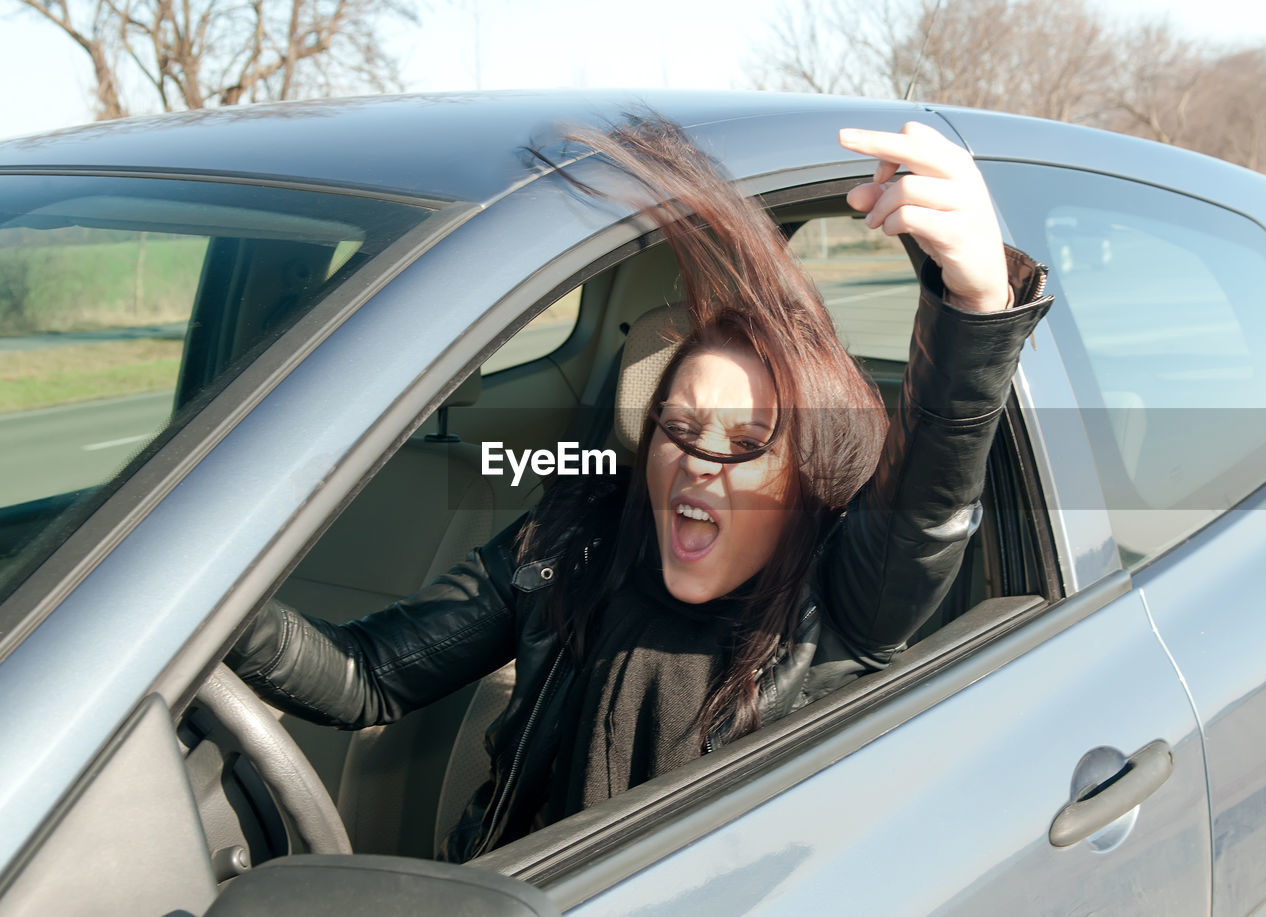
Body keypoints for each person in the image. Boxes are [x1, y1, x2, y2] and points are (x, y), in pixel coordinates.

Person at [228, 117, 1052, 862]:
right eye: (681, 428)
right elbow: (366, 674)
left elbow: (929, 500)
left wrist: (976, 304)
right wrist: (204, 605)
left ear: (800, 481)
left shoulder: (836, 605)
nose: (699, 462)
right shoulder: (564, 543)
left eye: (747, 444)